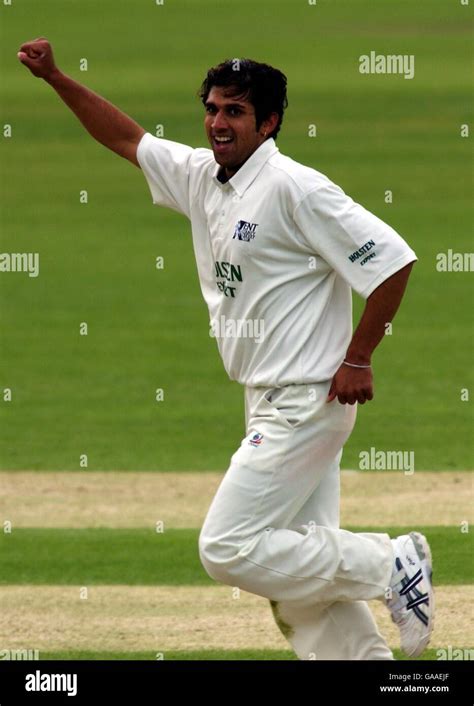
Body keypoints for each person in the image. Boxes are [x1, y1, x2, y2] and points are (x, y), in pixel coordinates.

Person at [18, 39, 434, 660]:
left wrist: (359, 357)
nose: (217, 122)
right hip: (267, 396)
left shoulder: (297, 188)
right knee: (298, 575)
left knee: (229, 546)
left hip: (306, 398)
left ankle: (392, 561)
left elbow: (392, 262)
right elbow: (127, 139)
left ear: (267, 123)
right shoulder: (201, 178)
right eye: (212, 108)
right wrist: (55, 78)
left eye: (235, 111)